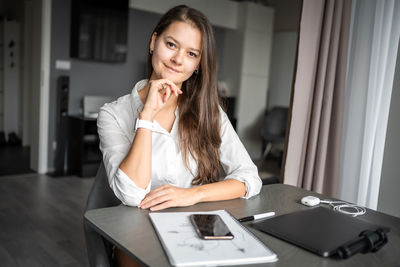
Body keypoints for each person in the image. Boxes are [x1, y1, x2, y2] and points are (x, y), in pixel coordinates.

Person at [97, 5, 261, 212]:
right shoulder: (113, 114)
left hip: (197, 224)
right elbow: (131, 195)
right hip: (137, 230)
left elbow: (249, 178)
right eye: (171, 44)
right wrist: (146, 117)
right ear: (153, 42)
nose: (178, 59)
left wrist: (192, 195)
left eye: (192, 54)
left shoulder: (210, 111)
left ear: (198, 65)